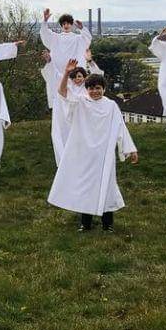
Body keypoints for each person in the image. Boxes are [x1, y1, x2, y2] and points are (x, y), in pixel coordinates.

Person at [48, 60, 138, 232]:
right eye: (91, 88)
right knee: (86, 187)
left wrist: (130, 149)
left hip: (104, 154)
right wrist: (67, 74)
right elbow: (62, 93)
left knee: (107, 185)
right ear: (86, 89)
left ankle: (107, 224)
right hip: (85, 154)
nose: (95, 91)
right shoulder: (80, 102)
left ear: (103, 89)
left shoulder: (111, 106)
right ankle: (85, 223)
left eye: (98, 88)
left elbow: (120, 127)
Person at [49, 50, 105, 167]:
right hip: (72, 120)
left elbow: (98, 75)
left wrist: (89, 61)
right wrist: (62, 70)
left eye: (79, 76)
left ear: (84, 76)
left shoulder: (89, 88)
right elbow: (60, 86)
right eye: (74, 77)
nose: (77, 79)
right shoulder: (69, 87)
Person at [39, 9, 92, 104]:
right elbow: (45, 34)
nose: (66, 25)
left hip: (75, 75)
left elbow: (87, 40)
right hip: (59, 73)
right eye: (63, 24)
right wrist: (45, 21)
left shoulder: (77, 39)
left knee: (76, 99)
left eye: (68, 23)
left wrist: (82, 28)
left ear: (71, 25)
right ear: (61, 25)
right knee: (60, 98)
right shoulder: (56, 38)